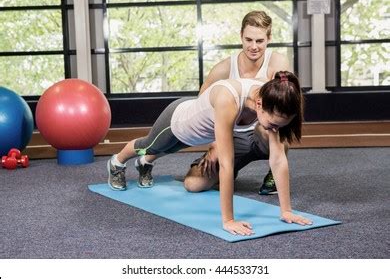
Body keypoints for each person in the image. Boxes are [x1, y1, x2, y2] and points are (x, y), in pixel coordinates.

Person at [107, 71, 312, 236]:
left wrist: (286, 211)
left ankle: (145, 164)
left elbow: (278, 159)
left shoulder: (272, 96)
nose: (274, 129)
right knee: (149, 146)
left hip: (198, 135)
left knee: (168, 149)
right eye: (273, 124)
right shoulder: (229, 100)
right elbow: (226, 164)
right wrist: (229, 220)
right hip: (178, 123)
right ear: (259, 105)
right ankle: (117, 163)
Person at [186, 10, 290, 195]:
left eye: (259, 41)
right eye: (248, 40)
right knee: (193, 184)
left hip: (262, 134)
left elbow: (287, 105)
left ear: (269, 38)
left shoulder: (278, 63)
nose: (253, 46)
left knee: (272, 126)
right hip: (231, 137)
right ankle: (229, 168)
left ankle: (274, 174)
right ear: (241, 36)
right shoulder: (224, 69)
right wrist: (215, 144)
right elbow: (201, 107)